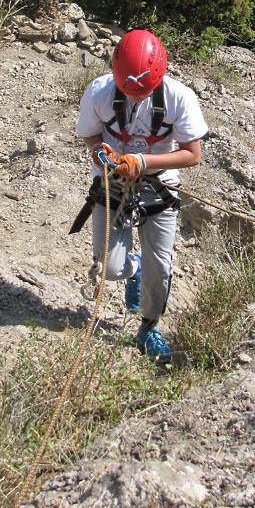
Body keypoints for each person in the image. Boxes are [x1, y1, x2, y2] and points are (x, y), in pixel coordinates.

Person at [74, 28, 208, 361]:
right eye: (128, 91)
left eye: (142, 92)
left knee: (159, 268)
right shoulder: (99, 92)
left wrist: (142, 161)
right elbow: (90, 136)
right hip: (112, 185)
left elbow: (192, 154)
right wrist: (101, 155)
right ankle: (132, 269)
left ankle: (149, 327)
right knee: (112, 268)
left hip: (159, 186)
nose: (134, 98)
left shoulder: (179, 98)